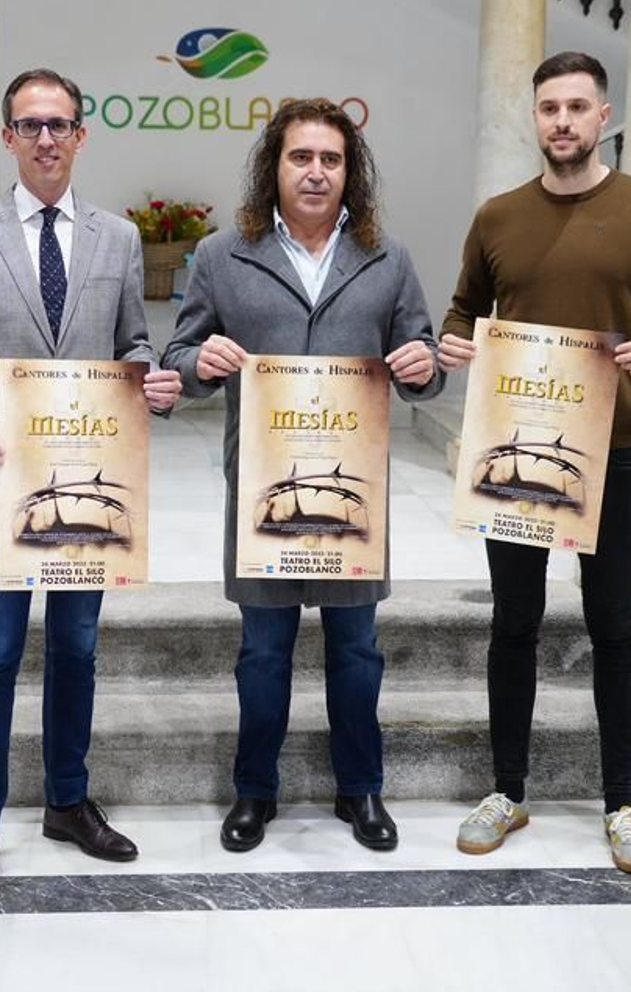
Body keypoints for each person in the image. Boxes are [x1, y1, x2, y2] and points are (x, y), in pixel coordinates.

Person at [437, 51, 631, 875]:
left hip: (617, 451)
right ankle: (507, 788)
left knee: (615, 627)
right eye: (548, 108)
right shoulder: (497, 217)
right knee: (513, 623)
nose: (561, 121)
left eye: (577, 107)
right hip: (513, 452)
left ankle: (622, 803)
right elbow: (464, 307)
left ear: (605, 117)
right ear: (535, 118)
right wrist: (456, 342)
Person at [0, 68, 183, 907]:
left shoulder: (118, 238)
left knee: (76, 651)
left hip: (89, 489)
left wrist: (154, 383)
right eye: (29, 125)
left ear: (81, 134)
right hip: (0, 489)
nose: (45, 138)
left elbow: (134, 347)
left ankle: (67, 801)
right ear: (7, 138)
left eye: (59, 124)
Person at [163, 98, 443, 853]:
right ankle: (255, 789)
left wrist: (425, 366)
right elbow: (177, 361)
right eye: (301, 157)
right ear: (273, 167)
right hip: (263, 494)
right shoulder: (223, 255)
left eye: (332, 159)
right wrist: (199, 362)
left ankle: (362, 789)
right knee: (262, 649)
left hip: (354, 500)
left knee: (357, 648)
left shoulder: (390, 260)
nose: (316, 171)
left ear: (352, 173)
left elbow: (422, 362)